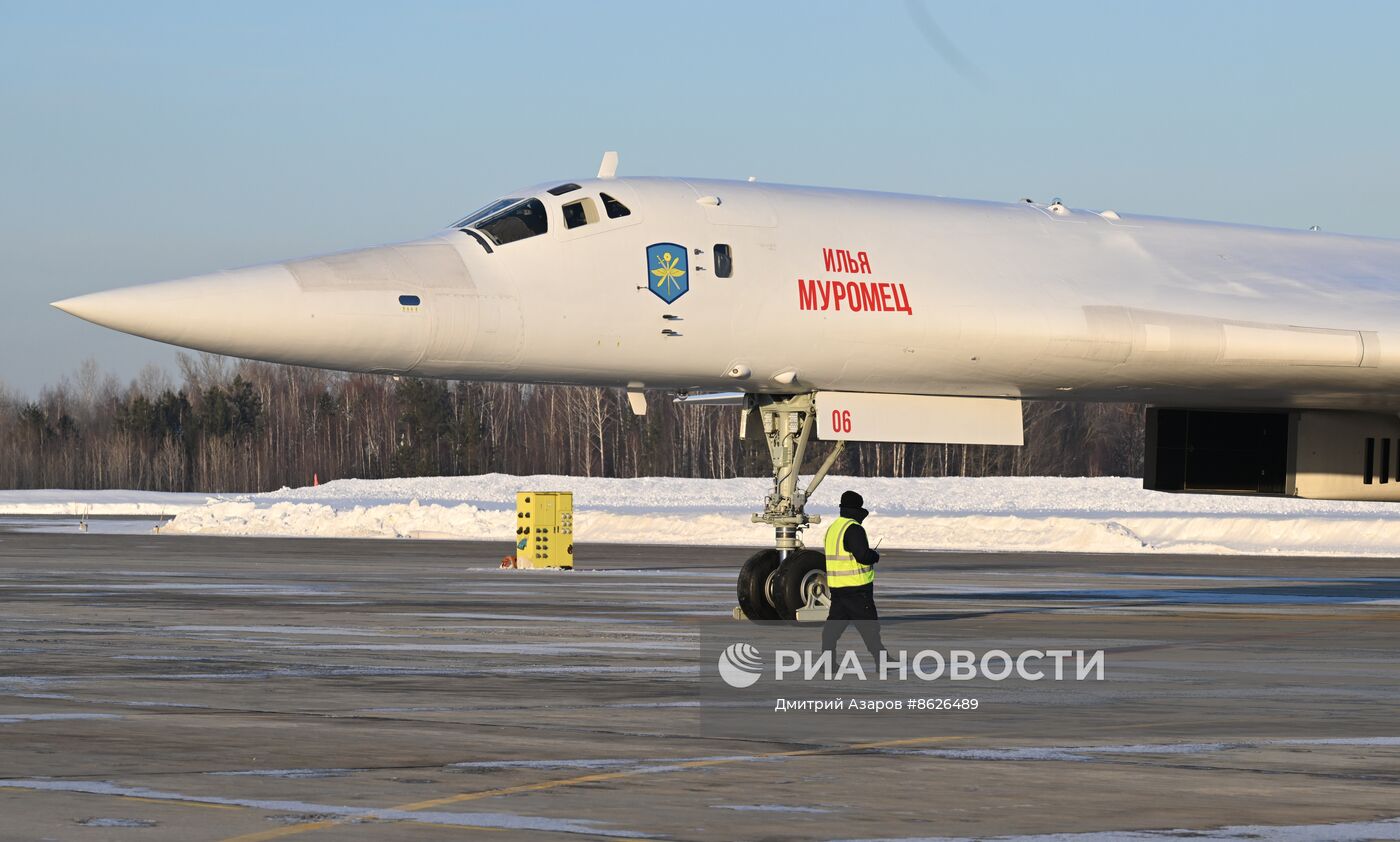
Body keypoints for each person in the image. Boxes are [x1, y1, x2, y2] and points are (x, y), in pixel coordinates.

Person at [821, 489, 885, 658]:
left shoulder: (834, 528)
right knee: (869, 627)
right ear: (857, 509)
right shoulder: (853, 529)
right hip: (856, 588)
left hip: (837, 588)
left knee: (832, 629)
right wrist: (875, 556)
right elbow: (863, 556)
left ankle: (827, 661)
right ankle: (882, 660)